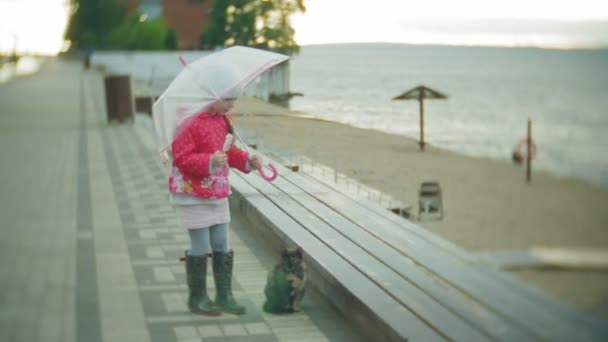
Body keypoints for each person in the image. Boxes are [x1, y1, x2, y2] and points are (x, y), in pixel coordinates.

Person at [169, 94, 262, 316]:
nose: (232, 104)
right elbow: (181, 158)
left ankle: (224, 295)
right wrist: (209, 161)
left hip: (217, 191)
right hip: (193, 194)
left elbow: (230, 153)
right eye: (228, 98)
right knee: (201, 244)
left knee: (221, 242)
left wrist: (248, 162)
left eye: (234, 98)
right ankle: (198, 297)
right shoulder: (187, 122)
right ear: (211, 96)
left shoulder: (224, 120)